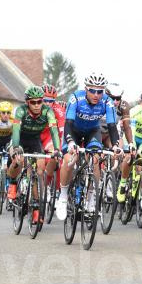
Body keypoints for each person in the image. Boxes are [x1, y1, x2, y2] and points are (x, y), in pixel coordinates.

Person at [55, 73, 121, 220]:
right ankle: (63, 196)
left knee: (95, 160)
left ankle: (91, 199)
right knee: (68, 159)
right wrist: (71, 142)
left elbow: (111, 126)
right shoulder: (75, 98)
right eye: (92, 90)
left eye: (100, 91)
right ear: (85, 89)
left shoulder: (107, 102)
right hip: (74, 131)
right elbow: (68, 124)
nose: (96, 94)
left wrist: (116, 145)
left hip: (93, 131)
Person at [7, 87, 60, 222]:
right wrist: (16, 147)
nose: (37, 105)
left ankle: (36, 208)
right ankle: (13, 183)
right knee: (18, 160)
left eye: (39, 102)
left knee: (36, 172)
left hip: (35, 140)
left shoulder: (48, 111)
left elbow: (54, 130)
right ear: (27, 102)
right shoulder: (21, 111)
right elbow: (16, 130)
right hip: (21, 138)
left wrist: (57, 149)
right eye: (33, 102)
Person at [117, 90, 142, 203]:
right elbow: (131, 130)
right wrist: (133, 146)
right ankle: (123, 184)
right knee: (130, 156)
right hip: (132, 136)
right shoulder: (135, 111)